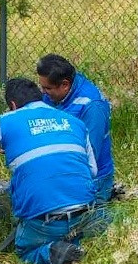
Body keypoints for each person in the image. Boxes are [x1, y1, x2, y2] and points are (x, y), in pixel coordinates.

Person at [0, 77, 110, 264]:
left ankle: (52, 252)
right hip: (85, 212)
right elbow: (92, 170)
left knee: (24, 251)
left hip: (45, 221)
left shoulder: (5, 122)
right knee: (93, 234)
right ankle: (74, 249)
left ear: (13, 105)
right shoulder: (75, 122)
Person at [36, 54, 115, 203]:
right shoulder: (55, 94)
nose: (43, 93)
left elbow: (89, 157)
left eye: (47, 88)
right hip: (60, 169)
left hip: (91, 180)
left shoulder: (92, 107)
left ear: (65, 85)